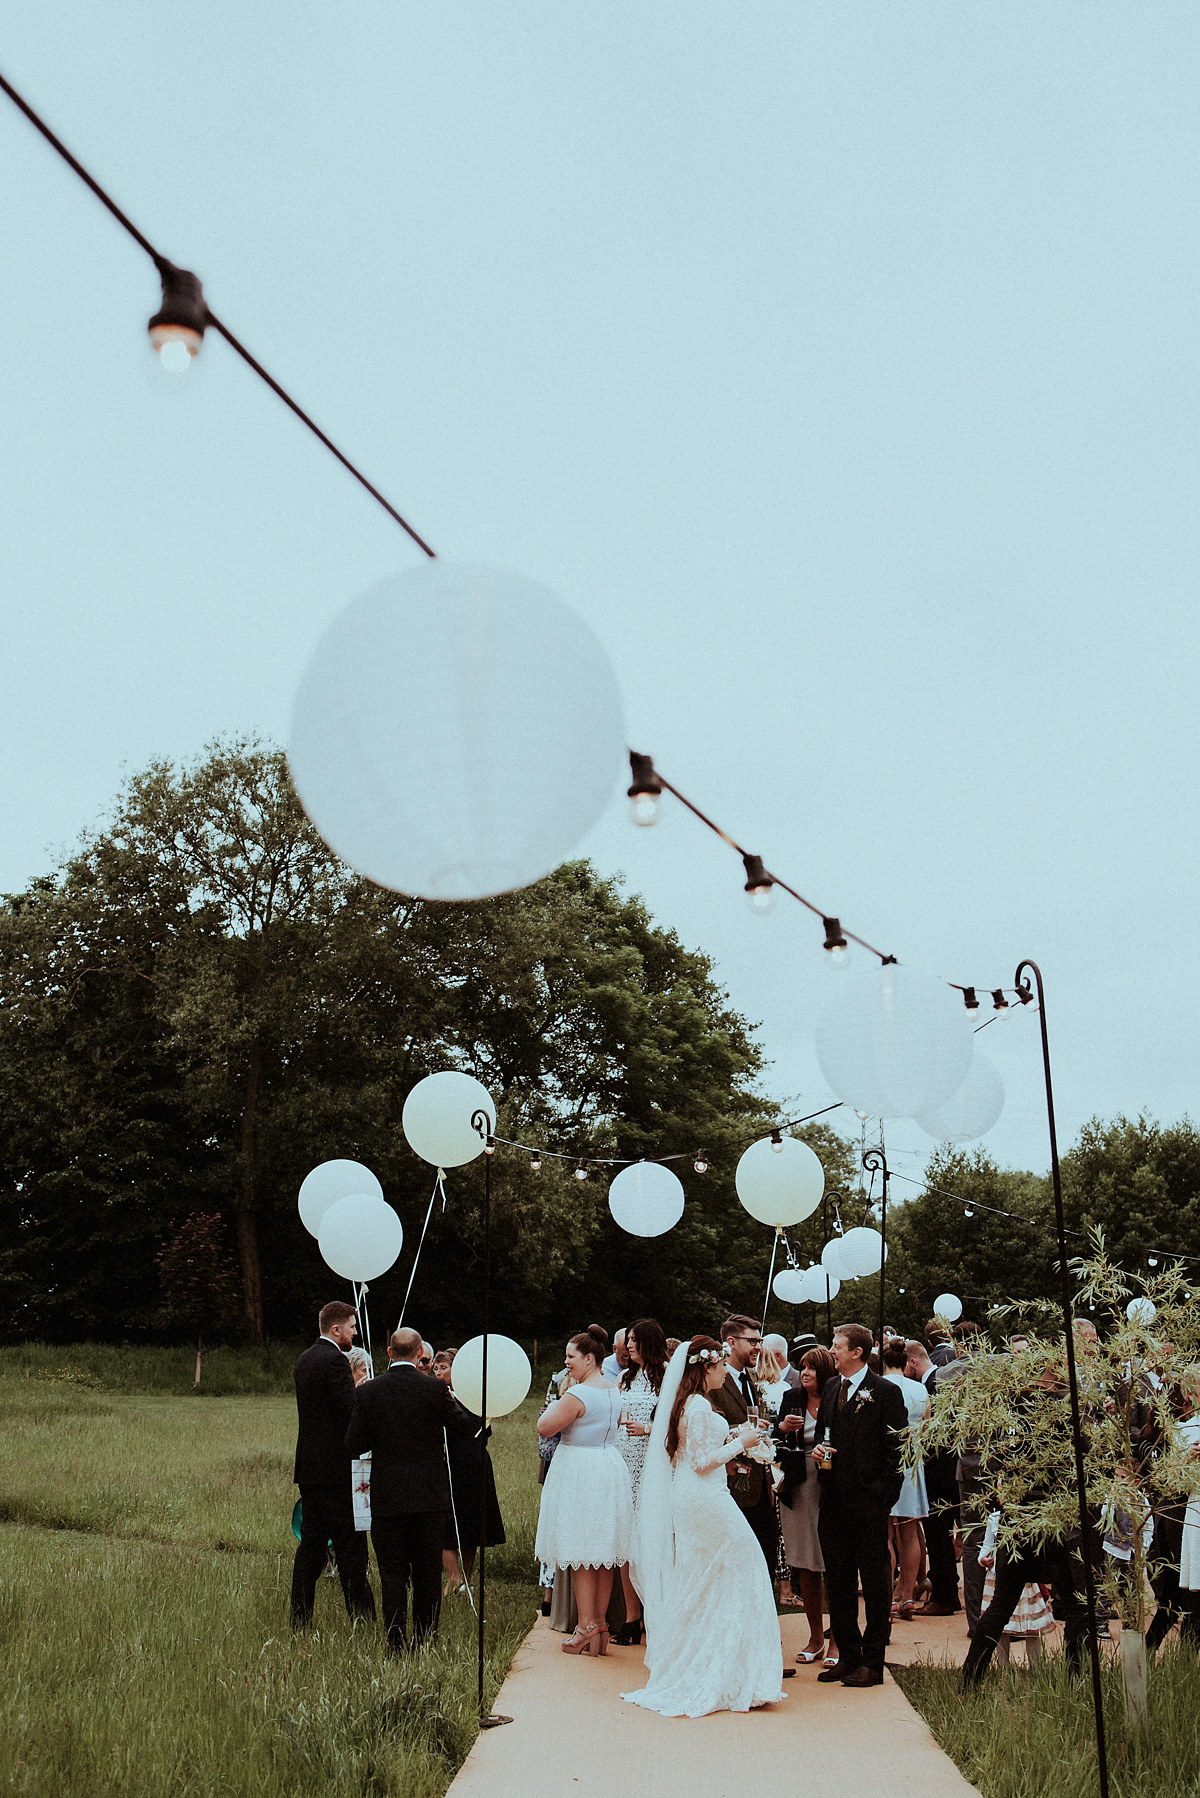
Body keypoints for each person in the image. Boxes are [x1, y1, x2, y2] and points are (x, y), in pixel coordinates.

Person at [623, 1337, 785, 1716]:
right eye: (722, 1365)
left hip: (700, 1495)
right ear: (707, 1367)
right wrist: (740, 1442)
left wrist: (731, 1436)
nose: (727, 1370)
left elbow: (691, 1449)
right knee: (744, 1563)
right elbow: (697, 1461)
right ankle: (725, 1670)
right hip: (702, 1497)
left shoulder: (693, 1403)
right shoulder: (696, 1404)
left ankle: (722, 1665)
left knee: (706, 1577)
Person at [961, 1363, 1092, 1686]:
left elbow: (992, 1466)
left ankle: (970, 1678)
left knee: (1003, 1605)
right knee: (1074, 1605)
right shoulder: (1064, 1412)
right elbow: (1085, 1455)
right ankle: (1075, 1679)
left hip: (1021, 1520)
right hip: (1054, 1523)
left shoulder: (1011, 1413)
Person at [344, 1325, 473, 1653]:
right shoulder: (434, 1390)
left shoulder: (368, 1392)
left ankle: (395, 1641)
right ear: (420, 1355)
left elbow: (353, 1444)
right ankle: (426, 1637)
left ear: (389, 1353)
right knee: (428, 1570)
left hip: (387, 1495)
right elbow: (463, 1428)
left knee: (392, 1571)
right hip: (429, 1496)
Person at [812, 1321, 907, 1687]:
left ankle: (873, 1660)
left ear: (857, 1352)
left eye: (837, 1346)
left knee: (875, 1581)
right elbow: (824, 1433)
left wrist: (883, 1495)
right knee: (838, 1580)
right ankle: (847, 1655)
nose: (831, 1351)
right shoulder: (834, 1386)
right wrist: (819, 1451)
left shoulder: (884, 1392)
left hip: (868, 1503)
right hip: (832, 1499)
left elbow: (897, 1450)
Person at [535, 1327, 633, 1656]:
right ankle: (600, 1624)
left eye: (571, 1357)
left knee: (581, 1553)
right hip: (608, 1465)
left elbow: (545, 1426)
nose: (566, 1363)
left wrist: (550, 1408)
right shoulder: (611, 1390)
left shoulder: (578, 1395)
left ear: (589, 1359)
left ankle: (586, 1625)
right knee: (603, 1553)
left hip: (580, 1470)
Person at [291, 1302, 377, 1629]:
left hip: (310, 1469)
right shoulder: (335, 1362)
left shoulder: (305, 1359)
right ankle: (362, 1618)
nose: (355, 1332)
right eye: (352, 1327)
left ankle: (300, 1616)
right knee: (351, 1546)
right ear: (336, 1329)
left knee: (311, 1544)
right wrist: (365, 1397)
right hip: (337, 1471)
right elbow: (349, 1413)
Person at [776, 1345, 839, 1665]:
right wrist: (784, 1428)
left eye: (812, 1367)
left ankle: (839, 1639)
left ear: (825, 1371)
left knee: (835, 1562)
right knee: (805, 1564)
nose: (805, 1372)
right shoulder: (792, 1398)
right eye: (802, 1367)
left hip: (832, 1485)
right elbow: (772, 1439)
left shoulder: (837, 1396)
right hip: (799, 1486)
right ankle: (815, 1637)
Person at [709, 1314, 778, 1577]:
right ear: (730, 1342)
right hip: (729, 1487)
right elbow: (706, 1429)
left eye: (759, 1341)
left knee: (765, 1559)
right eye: (752, 1341)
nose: (758, 1347)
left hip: (760, 1487)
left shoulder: (751, 1378)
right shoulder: (714, 1379)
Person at [613, 1317, 668, 1645]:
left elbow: (677, 1421)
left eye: (634, 1340)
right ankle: (632, 1618)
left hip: (654, 1464)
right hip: (624, 1462)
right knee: (627, 1542)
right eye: (627, 1340)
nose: (628, 1345)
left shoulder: (666, 1377)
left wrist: (647, 1429)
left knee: (654, 1542)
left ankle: (656, 1613)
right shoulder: (623, 1377)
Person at [434, 1346, 506, 1595]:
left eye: (443, 1367)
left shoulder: (475, 1396)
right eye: (436, 1368)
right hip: (448, 1463)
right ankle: (452, 1579)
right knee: (447, 1522)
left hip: (475, 1463)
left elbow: (482, 1431)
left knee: (471, 1523)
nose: (438, 1372)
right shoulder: (437, 1395)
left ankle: (467, 1578)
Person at [905, 1338, 960, 1617]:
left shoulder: (933, 1386)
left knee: (939, 1536)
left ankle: (945, 1597)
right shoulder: (943, 1380)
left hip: (940, 1471)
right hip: (954, 1471)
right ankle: (951, 1591)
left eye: (905, 1367)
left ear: (913, 1362)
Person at [881, 1340, 929, 1620]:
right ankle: (908, 1596)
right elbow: (927, 1423)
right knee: (910, 1533)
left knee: (885, 1534)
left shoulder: (880, 1387)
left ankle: (886, 1598)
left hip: (887, 1462)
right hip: (912, 1461)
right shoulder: (920, 1388)